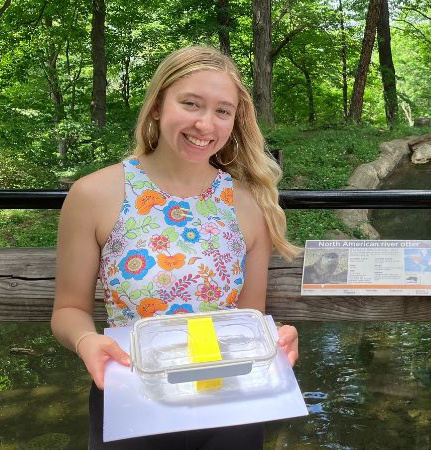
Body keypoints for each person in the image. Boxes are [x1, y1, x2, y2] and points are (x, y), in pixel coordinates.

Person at [51, 45, 300, 449]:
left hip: (232, 403)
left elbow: (249, 317)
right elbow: (68, 310)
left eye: (223, 111)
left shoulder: (249, 205)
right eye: (191, 103)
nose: (206, 124)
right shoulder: (95, 194)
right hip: (131, 395)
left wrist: (274, 342)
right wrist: (86, 340)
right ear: (156, 107)